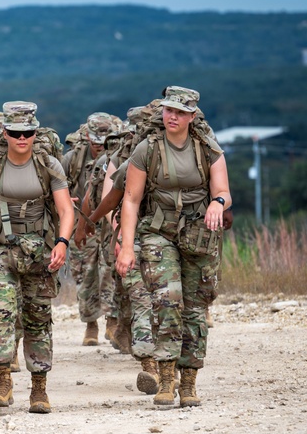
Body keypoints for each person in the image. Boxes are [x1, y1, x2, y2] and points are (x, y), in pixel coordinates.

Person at [0, 102, 75, 413]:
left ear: (35, 133)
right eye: (16, 133)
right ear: (5, 133)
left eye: (28, 133)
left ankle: (39, 388)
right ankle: (3, 381)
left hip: (39, 249)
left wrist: (61, 242)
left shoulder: (48, 165)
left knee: (37, 318)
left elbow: (65, 209)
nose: (22, 138)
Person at [116, 86, 231, 408]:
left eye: (180, 112)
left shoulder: (208, 149)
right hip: (157, 233)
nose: (173, 117)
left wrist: (217, 203)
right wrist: (127, 246)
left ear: (192, 116)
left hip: (198, 234)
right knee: (167, 302)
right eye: (169, 110)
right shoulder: (147, 149)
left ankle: (189, 381)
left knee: (195, 308)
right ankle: (167, 379)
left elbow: (223, 189)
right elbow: (131, 199)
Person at [63, 113, 116, 346]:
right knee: (84, 274)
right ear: (86, 136)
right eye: (94, 138)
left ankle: (114, 321)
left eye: (102, 139)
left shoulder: (117, 157)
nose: (97, 143)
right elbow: (55, 184)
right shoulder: (72, 159)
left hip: (108, 222)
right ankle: (90, 323)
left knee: (112, 271)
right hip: (79, 222)